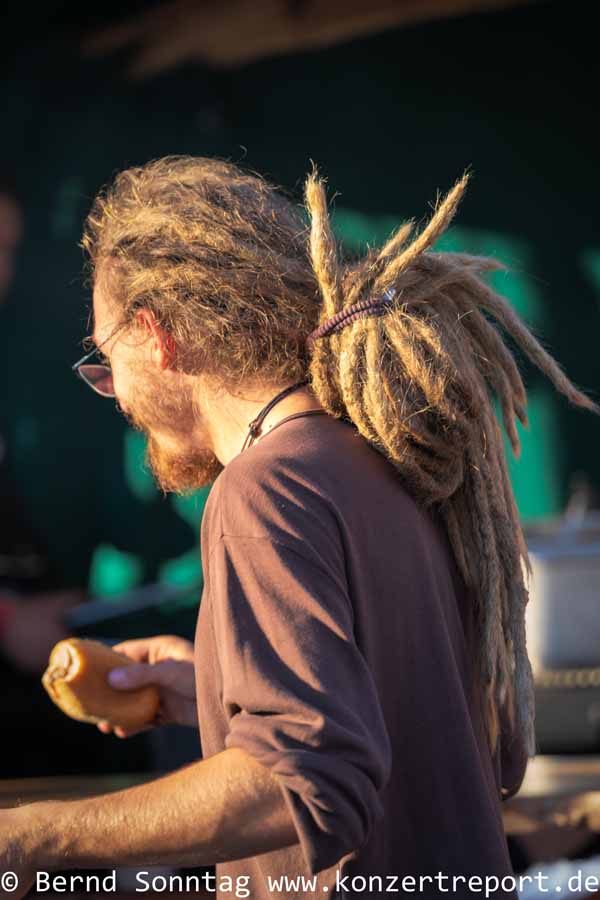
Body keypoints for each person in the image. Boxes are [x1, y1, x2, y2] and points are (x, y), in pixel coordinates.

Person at [1, 155, 597, 899]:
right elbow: (394, 716)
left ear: (155, 337)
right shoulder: (383, 459)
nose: (114, 393)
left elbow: (306, 780)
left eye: (105, 360)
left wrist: (35, 836)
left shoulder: (262, 490)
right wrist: (216, 684)